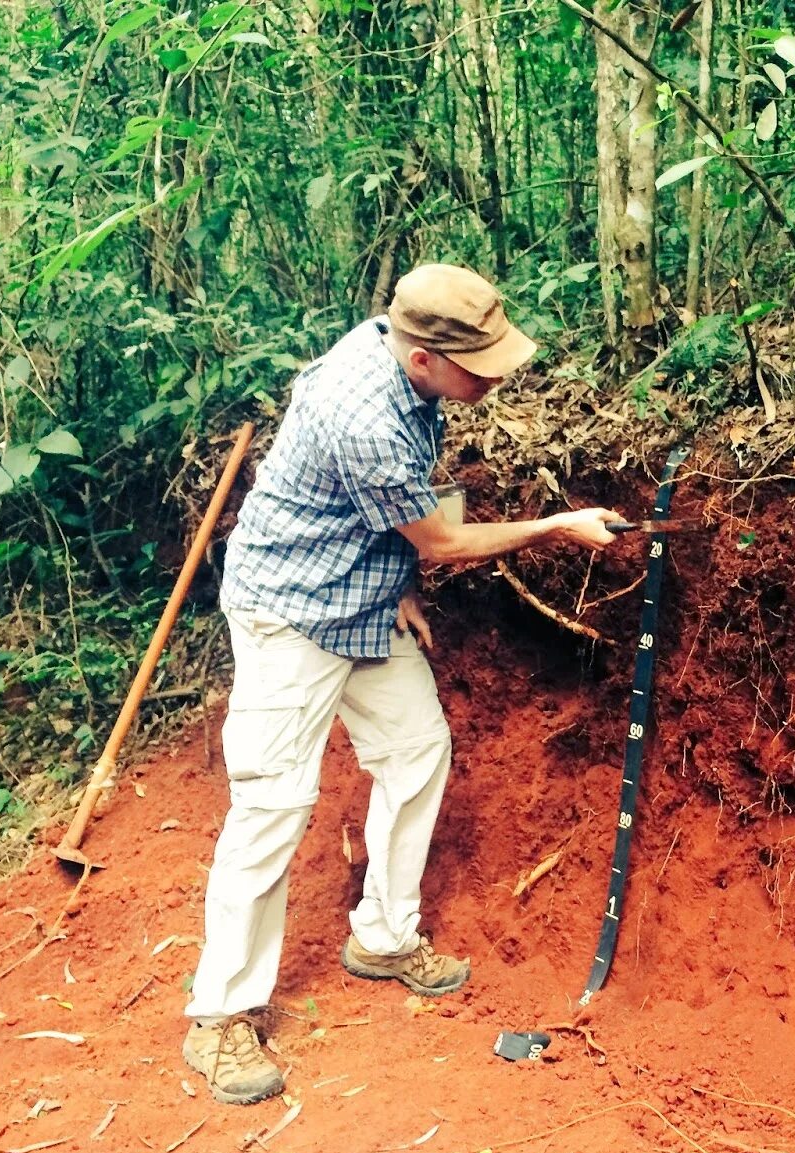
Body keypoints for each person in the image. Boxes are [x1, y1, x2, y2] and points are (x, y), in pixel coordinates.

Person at [182, 264, 622, 1104]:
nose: (494, 378)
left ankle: (383, 937)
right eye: (479, 366)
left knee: (417, 749)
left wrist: (399, 584)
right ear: (423, 358)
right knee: (273, 804)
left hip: (362, 599)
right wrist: (557, 525)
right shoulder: (362, 414)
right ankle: (220, 1016)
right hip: (290, 612)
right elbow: (442, 539)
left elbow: (394, 514)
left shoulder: (405, 369)